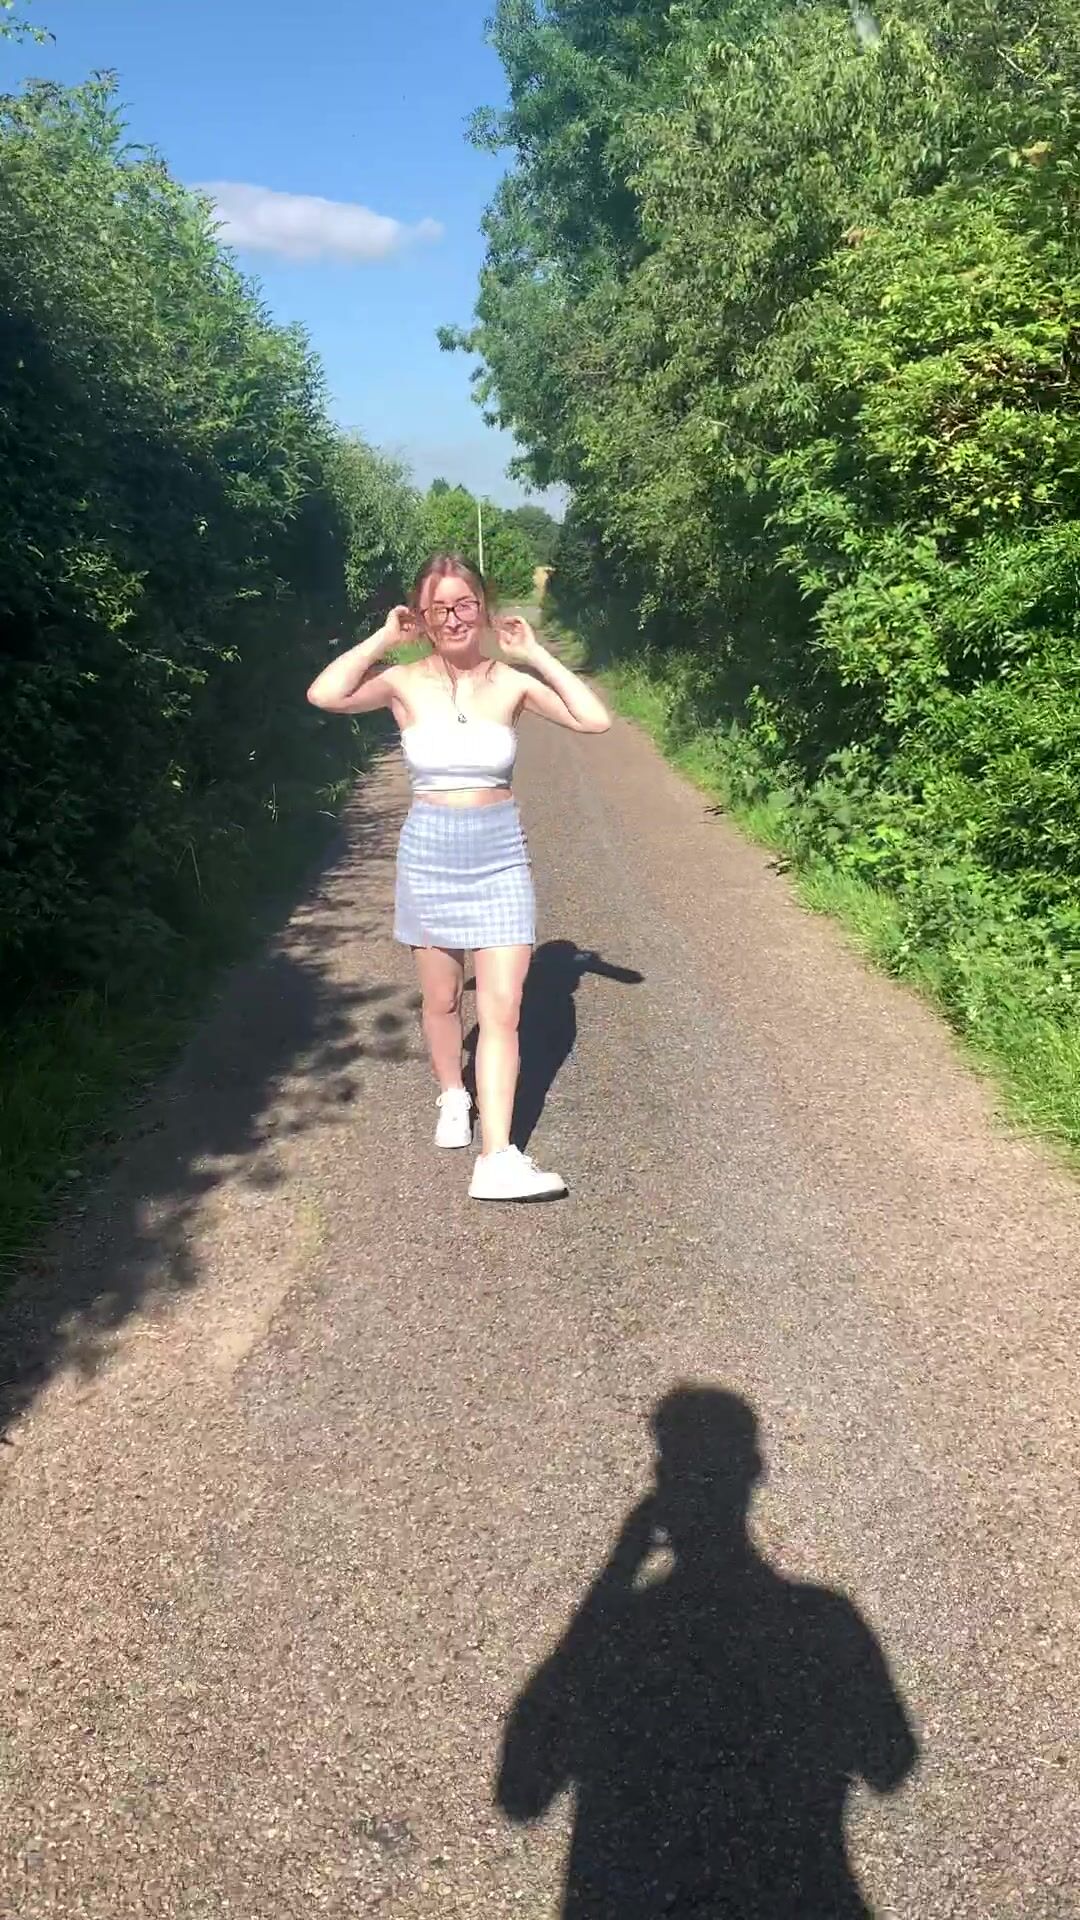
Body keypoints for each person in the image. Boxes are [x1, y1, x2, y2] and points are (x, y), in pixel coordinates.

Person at [306, 553, 611, 1202]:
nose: (452, 618)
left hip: (500, 853)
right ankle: (452, 1093)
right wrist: (383, 639)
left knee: (503, 1009)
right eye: (437, 608)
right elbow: (324, 695)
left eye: (464, 604)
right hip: (430, 852)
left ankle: (497, 1157)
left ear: (483, 606)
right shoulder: (402, 681)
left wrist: (537, 654)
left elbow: (594, 719)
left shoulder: (511, 683)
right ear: (421, 616)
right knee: (443, 999)